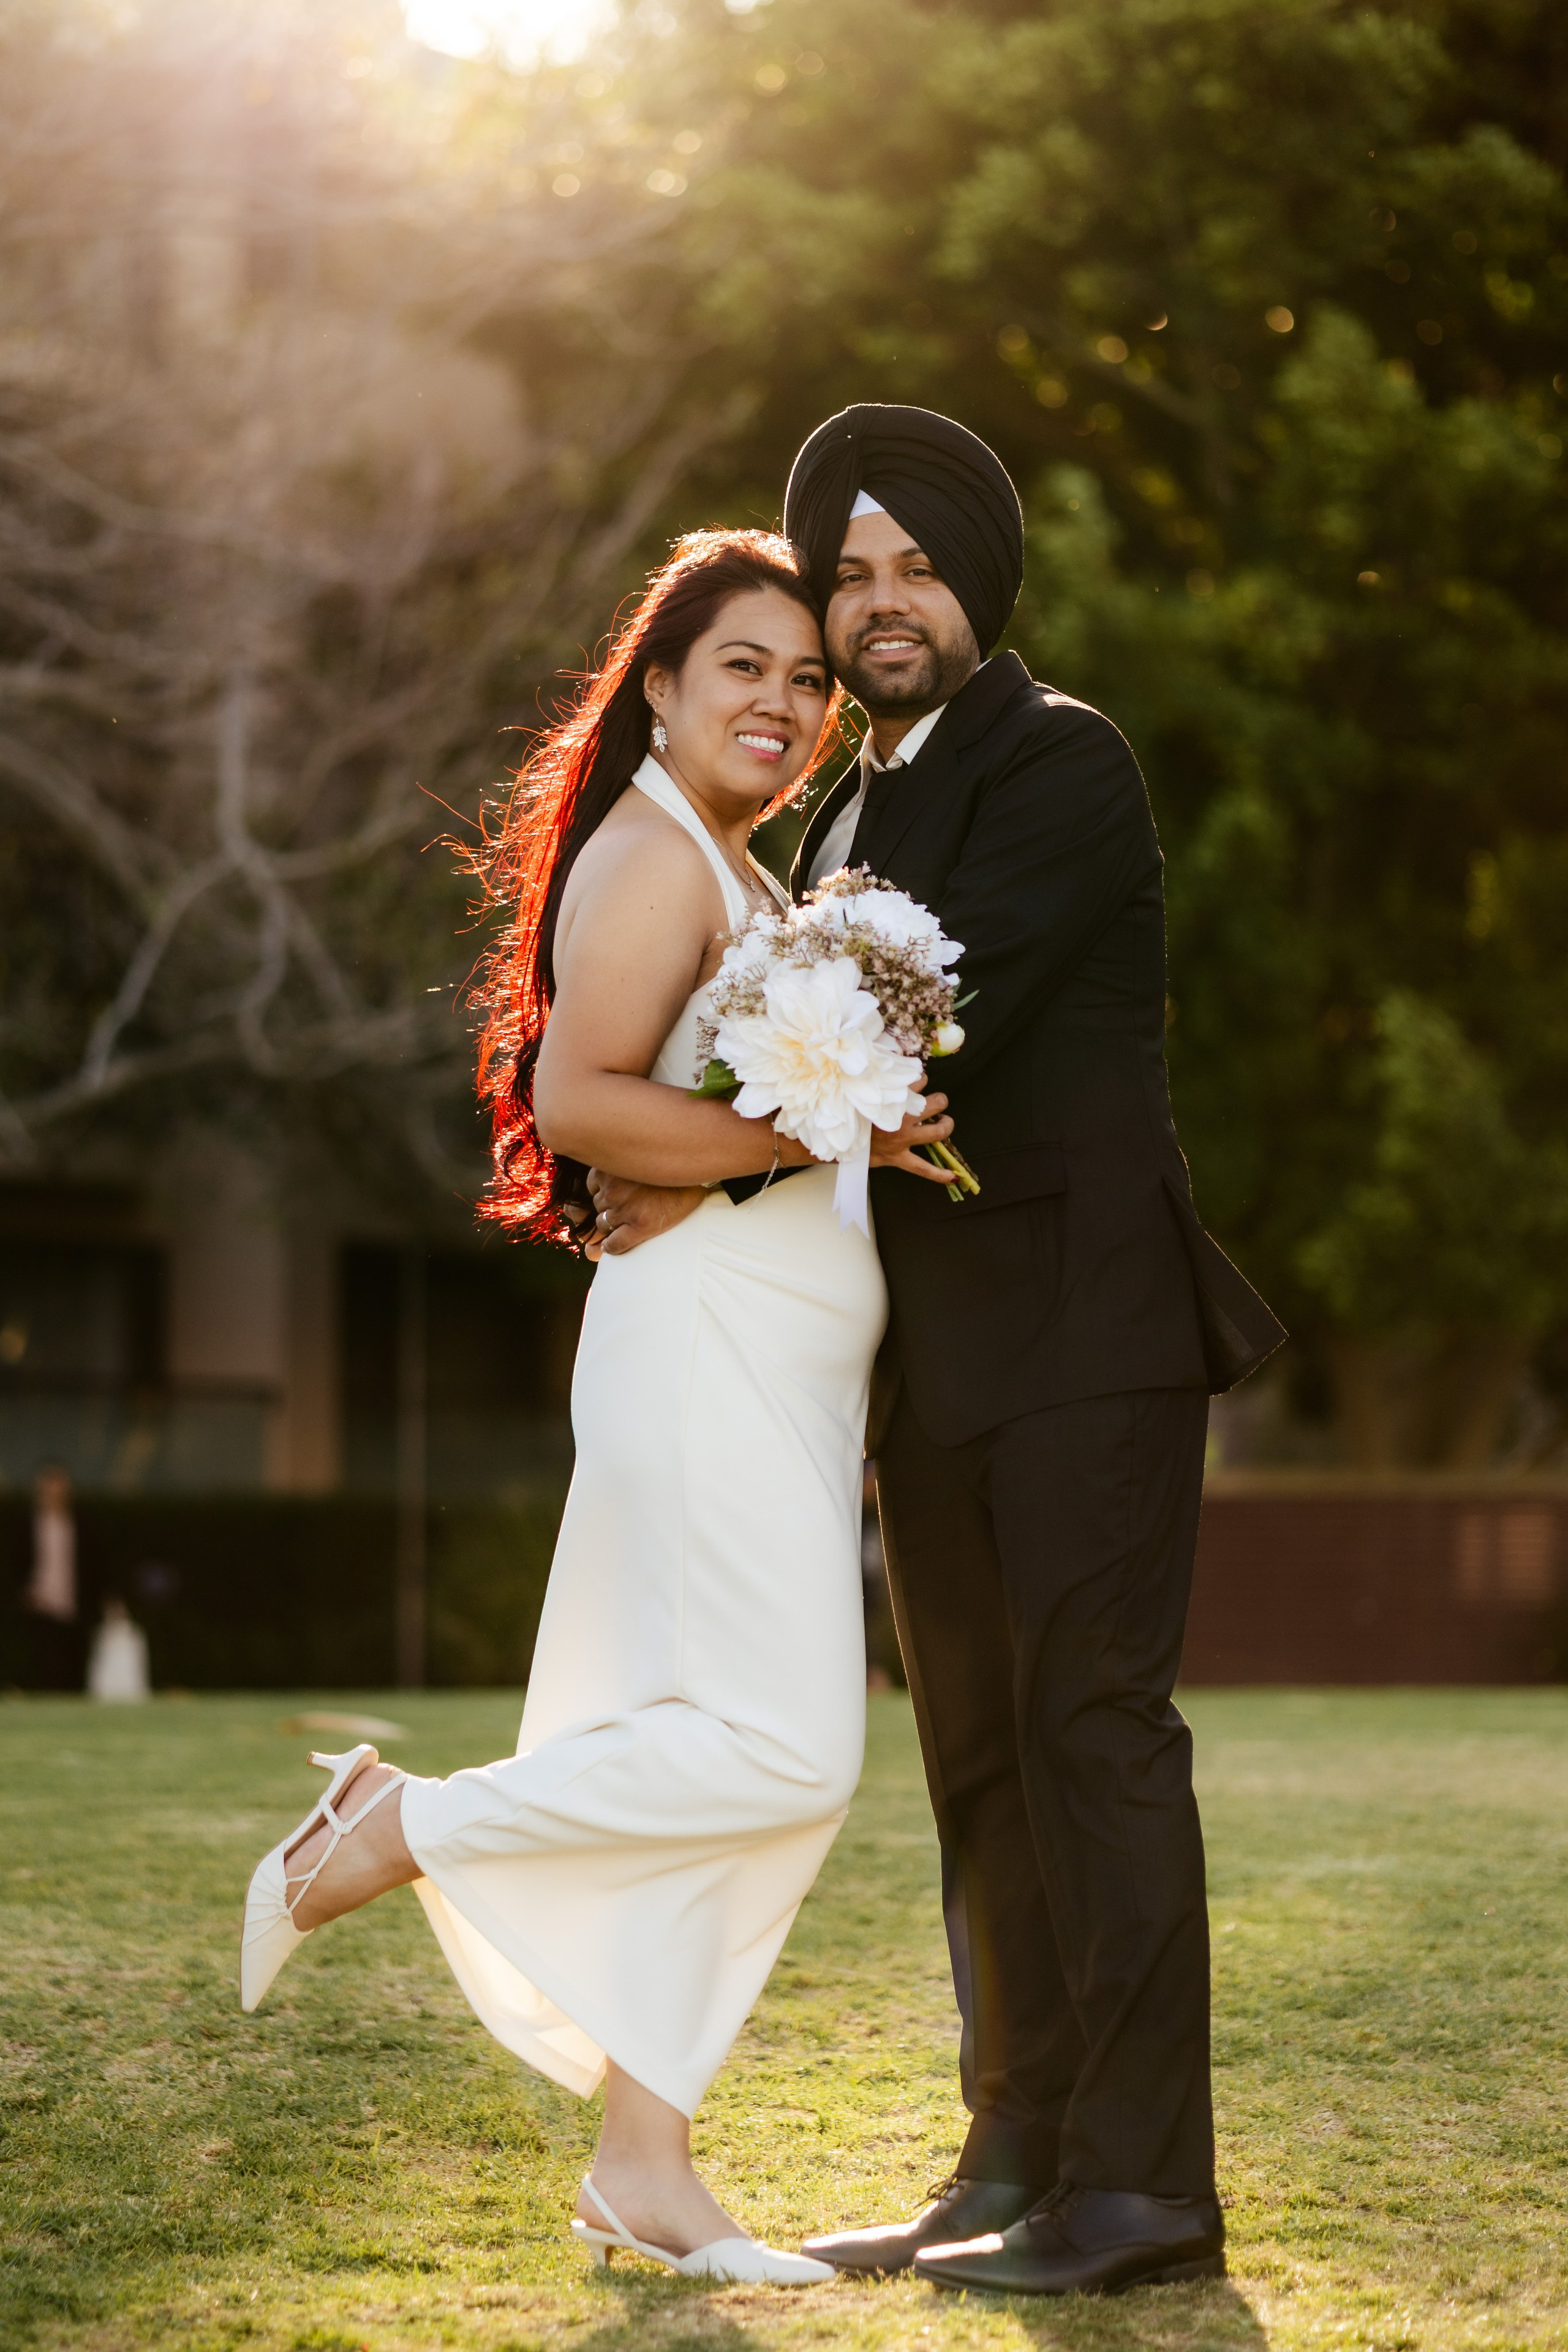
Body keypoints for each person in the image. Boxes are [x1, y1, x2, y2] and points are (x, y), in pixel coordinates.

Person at [588, 407, 1286, 2297]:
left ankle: (1143, 2194)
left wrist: (692, 1140)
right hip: (931, 1367)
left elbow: (911, 1015)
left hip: (1089, 1339)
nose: (883, 607)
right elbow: (824, 1071)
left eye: (917, 569)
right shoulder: (840, 808)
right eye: (854, 576)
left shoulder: (1066, 765)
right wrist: (689, 1169)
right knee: (978, 1764)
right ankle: (1015, 2158)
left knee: (1093, 1746)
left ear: (983, 581)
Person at [239, 528, 954, 2286]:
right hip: (709, 1352)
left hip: (762, 1360)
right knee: (789, 1751)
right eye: (744, 669)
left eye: (806, 678)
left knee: (732, 1763)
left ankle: (648, 2167)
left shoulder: (735, 864)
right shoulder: (655, 854)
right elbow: (581, 1103)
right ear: (658, 684)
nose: (784, 702)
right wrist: (817, 1130)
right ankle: (396, 1826)